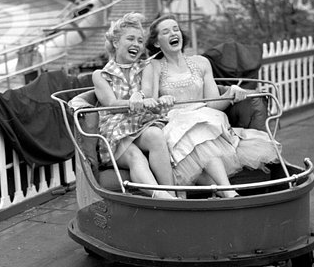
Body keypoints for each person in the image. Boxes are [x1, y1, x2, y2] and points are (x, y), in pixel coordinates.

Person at [142, 14, 280, 198]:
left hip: (206, 117)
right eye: (166, 32)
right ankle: (227, 192)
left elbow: (214, 104)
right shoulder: (154, 66)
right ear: (157, 43)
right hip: (175, 124)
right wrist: (161, 100)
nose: (173, 33)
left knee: (202, 133)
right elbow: (149, 103)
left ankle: (224, 193)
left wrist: (230, 93)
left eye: (176, 29)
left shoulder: (201, 62)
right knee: (197, 136)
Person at [91, 12, 176, 199]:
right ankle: (164, 199)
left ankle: (173, 194)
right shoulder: (101, 75)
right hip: (116, 128)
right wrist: (131, 101)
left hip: (139, 122)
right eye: (130, 39)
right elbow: (111, 104)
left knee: (155, 135)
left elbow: (146, 92)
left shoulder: (145, 67)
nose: (136, 44)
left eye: (139, 40)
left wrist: (145, 97)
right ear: (116, 43)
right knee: (134, 156)